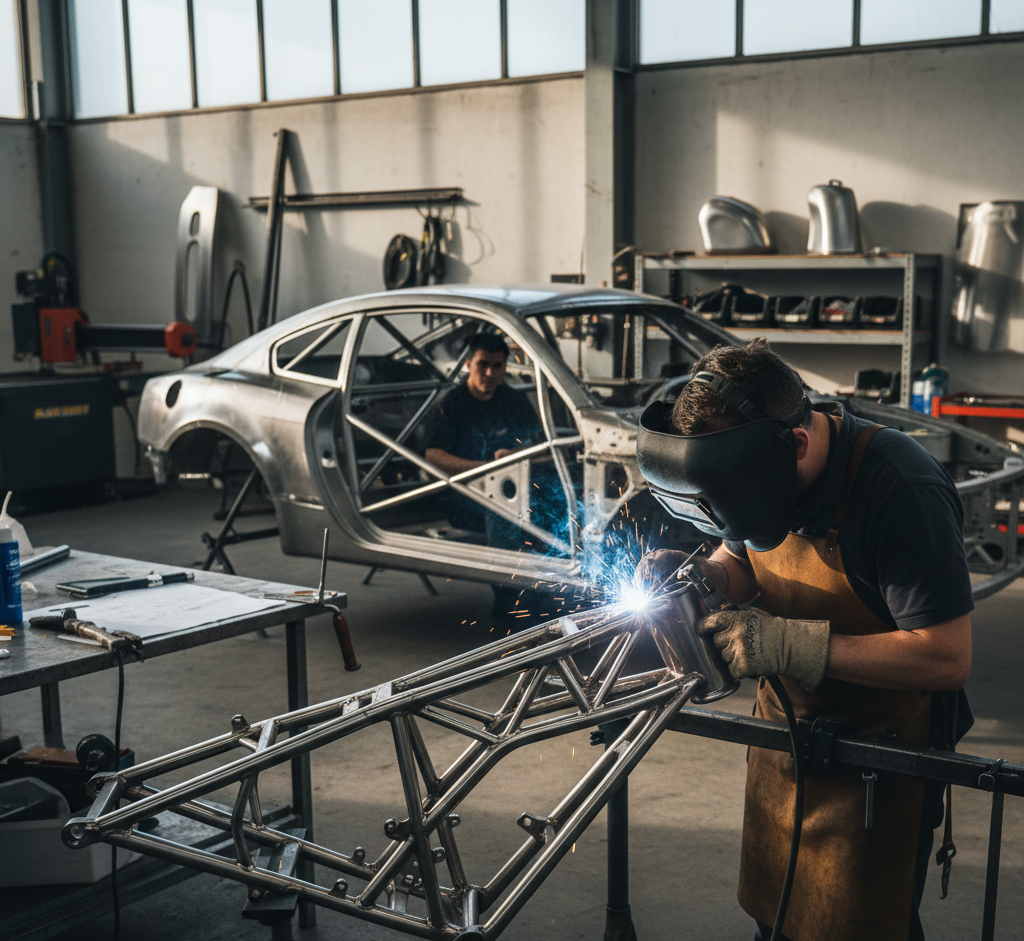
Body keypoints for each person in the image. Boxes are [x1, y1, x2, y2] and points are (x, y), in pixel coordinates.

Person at [634, 339, 973, 941]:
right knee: (778, 917)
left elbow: (944, 656)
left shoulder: (901, 489)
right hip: (784, 745)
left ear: (795, 442)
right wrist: (707, 575)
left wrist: (787, 647)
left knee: (860, 928)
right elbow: (742, 558)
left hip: (877, 762)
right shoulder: (756, 472)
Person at [424, 332, 543, 538]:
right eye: (483, 365)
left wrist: (517, 454)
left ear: (505, 367)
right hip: (464, 492)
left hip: (512, 486)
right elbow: (433, 455)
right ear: (469, 365)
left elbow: (541, 443)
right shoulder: (451, 404)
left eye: (497, 366)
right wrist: (487, 469)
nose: (489, 373)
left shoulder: (514, 400)